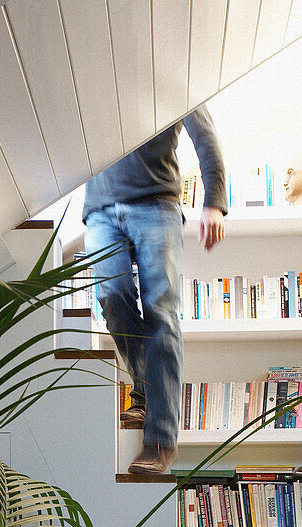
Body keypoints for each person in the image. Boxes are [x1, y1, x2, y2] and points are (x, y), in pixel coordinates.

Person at [83, 106, 227, 474]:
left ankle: (161, 439)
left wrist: (214, 201)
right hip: (99, 207)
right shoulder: (91, 75)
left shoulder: (170, 69)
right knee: (112, 298)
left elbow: (205, 135)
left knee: (160, 311)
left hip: (156, 204)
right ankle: (145, 389)